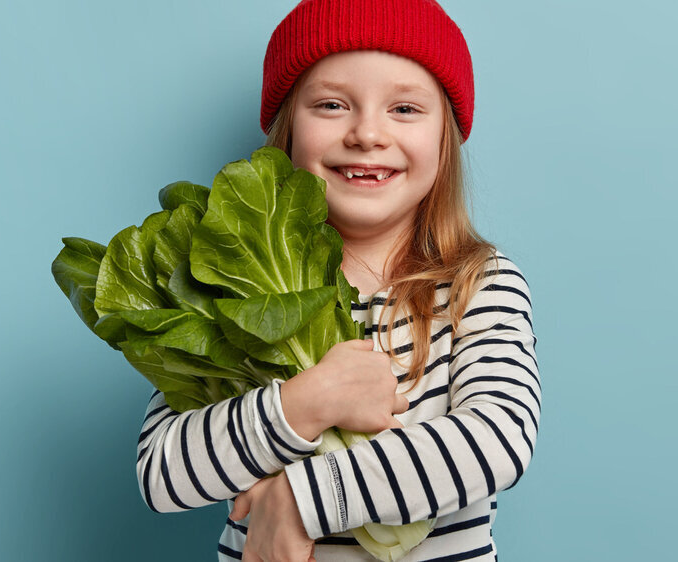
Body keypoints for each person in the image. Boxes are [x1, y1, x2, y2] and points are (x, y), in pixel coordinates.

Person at [136, 0, 541, 560]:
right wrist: (306, 403)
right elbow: (162, 474)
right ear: (287, 130)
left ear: (446, 138)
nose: (367, 133)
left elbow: (498, 440)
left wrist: (304, 499)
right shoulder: (231, 290)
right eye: (331, 104)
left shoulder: (478, 282)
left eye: (404, 108)